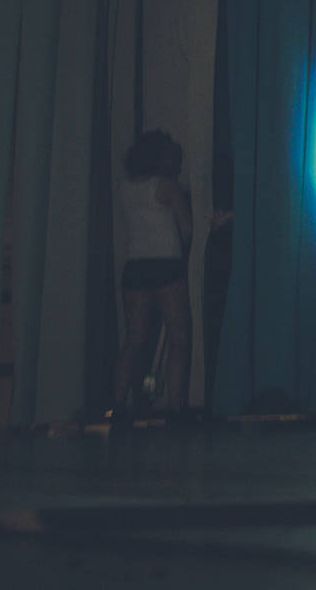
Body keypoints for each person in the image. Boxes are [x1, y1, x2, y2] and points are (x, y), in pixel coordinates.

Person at [112, 130, 194, 418]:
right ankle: (175, 406)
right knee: (179, 337)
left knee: (134, 339)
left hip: (135, 267)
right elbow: (186, 229)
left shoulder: (124, 188)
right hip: (166, 264)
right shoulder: (166, 186)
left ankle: (117, 403)